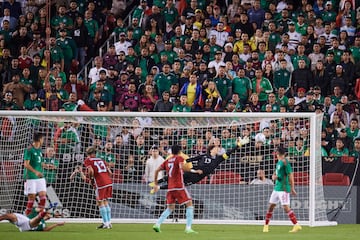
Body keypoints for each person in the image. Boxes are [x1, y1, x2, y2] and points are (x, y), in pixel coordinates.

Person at [151, 137, 250, 190]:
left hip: (198, 177)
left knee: (179, 185)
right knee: (175, 176)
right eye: (216, 148)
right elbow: (193, 158)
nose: (218, 149)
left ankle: (158, 187)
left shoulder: (218, 159)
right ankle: (156, 182)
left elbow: (229, 152)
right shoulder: (204, 155)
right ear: (212, 149)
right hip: (193, 172)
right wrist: (184, 162)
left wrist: (238, 145)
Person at [152, 145, 198, 234]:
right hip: (179, 186)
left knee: (170, 208)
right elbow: (183, 167)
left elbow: (156, 170)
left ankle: (157, 224)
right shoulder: (179, 158)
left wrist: (156, 184)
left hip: (170, 188)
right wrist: (194, 171)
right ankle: (188, 228)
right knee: (189, 204)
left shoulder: (167, 160)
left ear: (171, 151)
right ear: (179, 151)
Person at [263, 146, 302, 233]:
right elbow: (276, 173)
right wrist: (274, 176)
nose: (275, 154)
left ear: (278, 153)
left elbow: (290, 175)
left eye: (276, 152)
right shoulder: (279, 162)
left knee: (286, 207)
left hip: (283, 188)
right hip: (276, 188)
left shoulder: (285, 162)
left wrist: (292, 188)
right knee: (270, 206)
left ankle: (296, 225)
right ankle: (266, 226)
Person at [84, 146, 113, 229]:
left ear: (88, 154)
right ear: (95, 153)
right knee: (105, 201)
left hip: (100, 183)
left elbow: (91, 171)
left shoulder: (88, 160)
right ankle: (108, 222)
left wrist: (91, 179)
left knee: (100, 202)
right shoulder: (101, 160)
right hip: (108, 182)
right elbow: (110, 172)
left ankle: (105, 223)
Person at [23, 132, 46, 216]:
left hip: (40, 178)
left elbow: (39, 162)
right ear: (39, 139)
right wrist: (36, 172)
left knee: (43, 197)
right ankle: (27, 216)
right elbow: (26, 164)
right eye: (43, 139)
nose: (43, 141)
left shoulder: (39, 150)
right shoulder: (29, 150)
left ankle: (40, 217)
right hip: (31, 177)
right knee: (31, 198)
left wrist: (45, 165)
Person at [0, 208, 65, 232]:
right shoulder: (34, 212)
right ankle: (42, 214)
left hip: (28, 226)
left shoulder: (43, 225)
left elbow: (46, 230)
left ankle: (41, 215)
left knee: (37, 219)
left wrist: (56, 224)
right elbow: (38, 209)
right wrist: (52, 214)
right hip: (24, 221)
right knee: (6, 216)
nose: (48, 217)